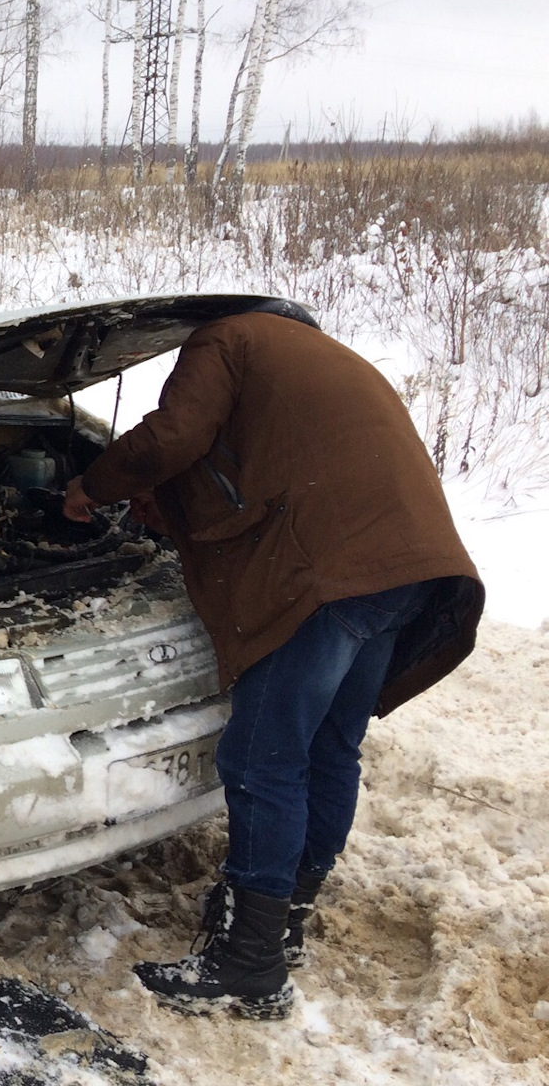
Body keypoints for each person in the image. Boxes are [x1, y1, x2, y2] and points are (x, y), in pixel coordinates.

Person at [62, 305, 482, 1020]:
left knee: (263, 760)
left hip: (329, 570)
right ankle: (282, 922)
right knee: (329, 748)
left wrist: (90, 488)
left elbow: (175, 435)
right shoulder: (313, 351)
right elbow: (245, 460)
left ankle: (247, 963)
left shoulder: (225, 338)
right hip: (409, 565)